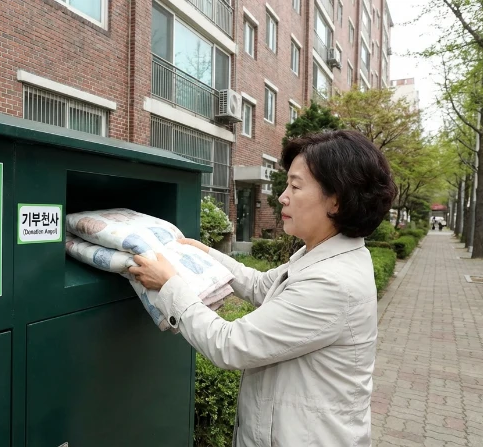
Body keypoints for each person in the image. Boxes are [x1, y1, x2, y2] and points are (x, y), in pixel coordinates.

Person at [129, 130, 396, 446]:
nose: (283, 196)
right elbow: (259, 284)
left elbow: (230, 345)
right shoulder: (326, 255)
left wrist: (169, 284)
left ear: (336, 200)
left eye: (295, 186)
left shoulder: (333, 283)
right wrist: (205, 253)